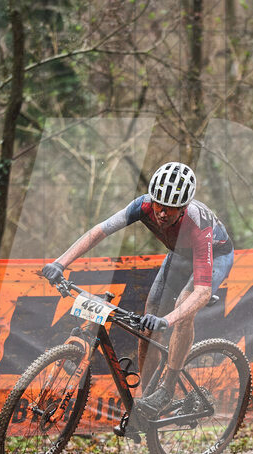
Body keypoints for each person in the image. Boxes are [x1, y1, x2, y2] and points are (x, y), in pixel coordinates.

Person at [40, 161, 234, 419]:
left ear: (184, 208)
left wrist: (168, 320)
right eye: (159, 206)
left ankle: (167, 388)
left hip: (215, 257)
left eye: (171, 210)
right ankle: (147, 402)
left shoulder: (198, 224)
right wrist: (60, 262)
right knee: (147, 327)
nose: (162, 214)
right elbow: (100, 231)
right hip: (178, 255)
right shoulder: (143, 205)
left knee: (183, 310)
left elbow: (202, 292)